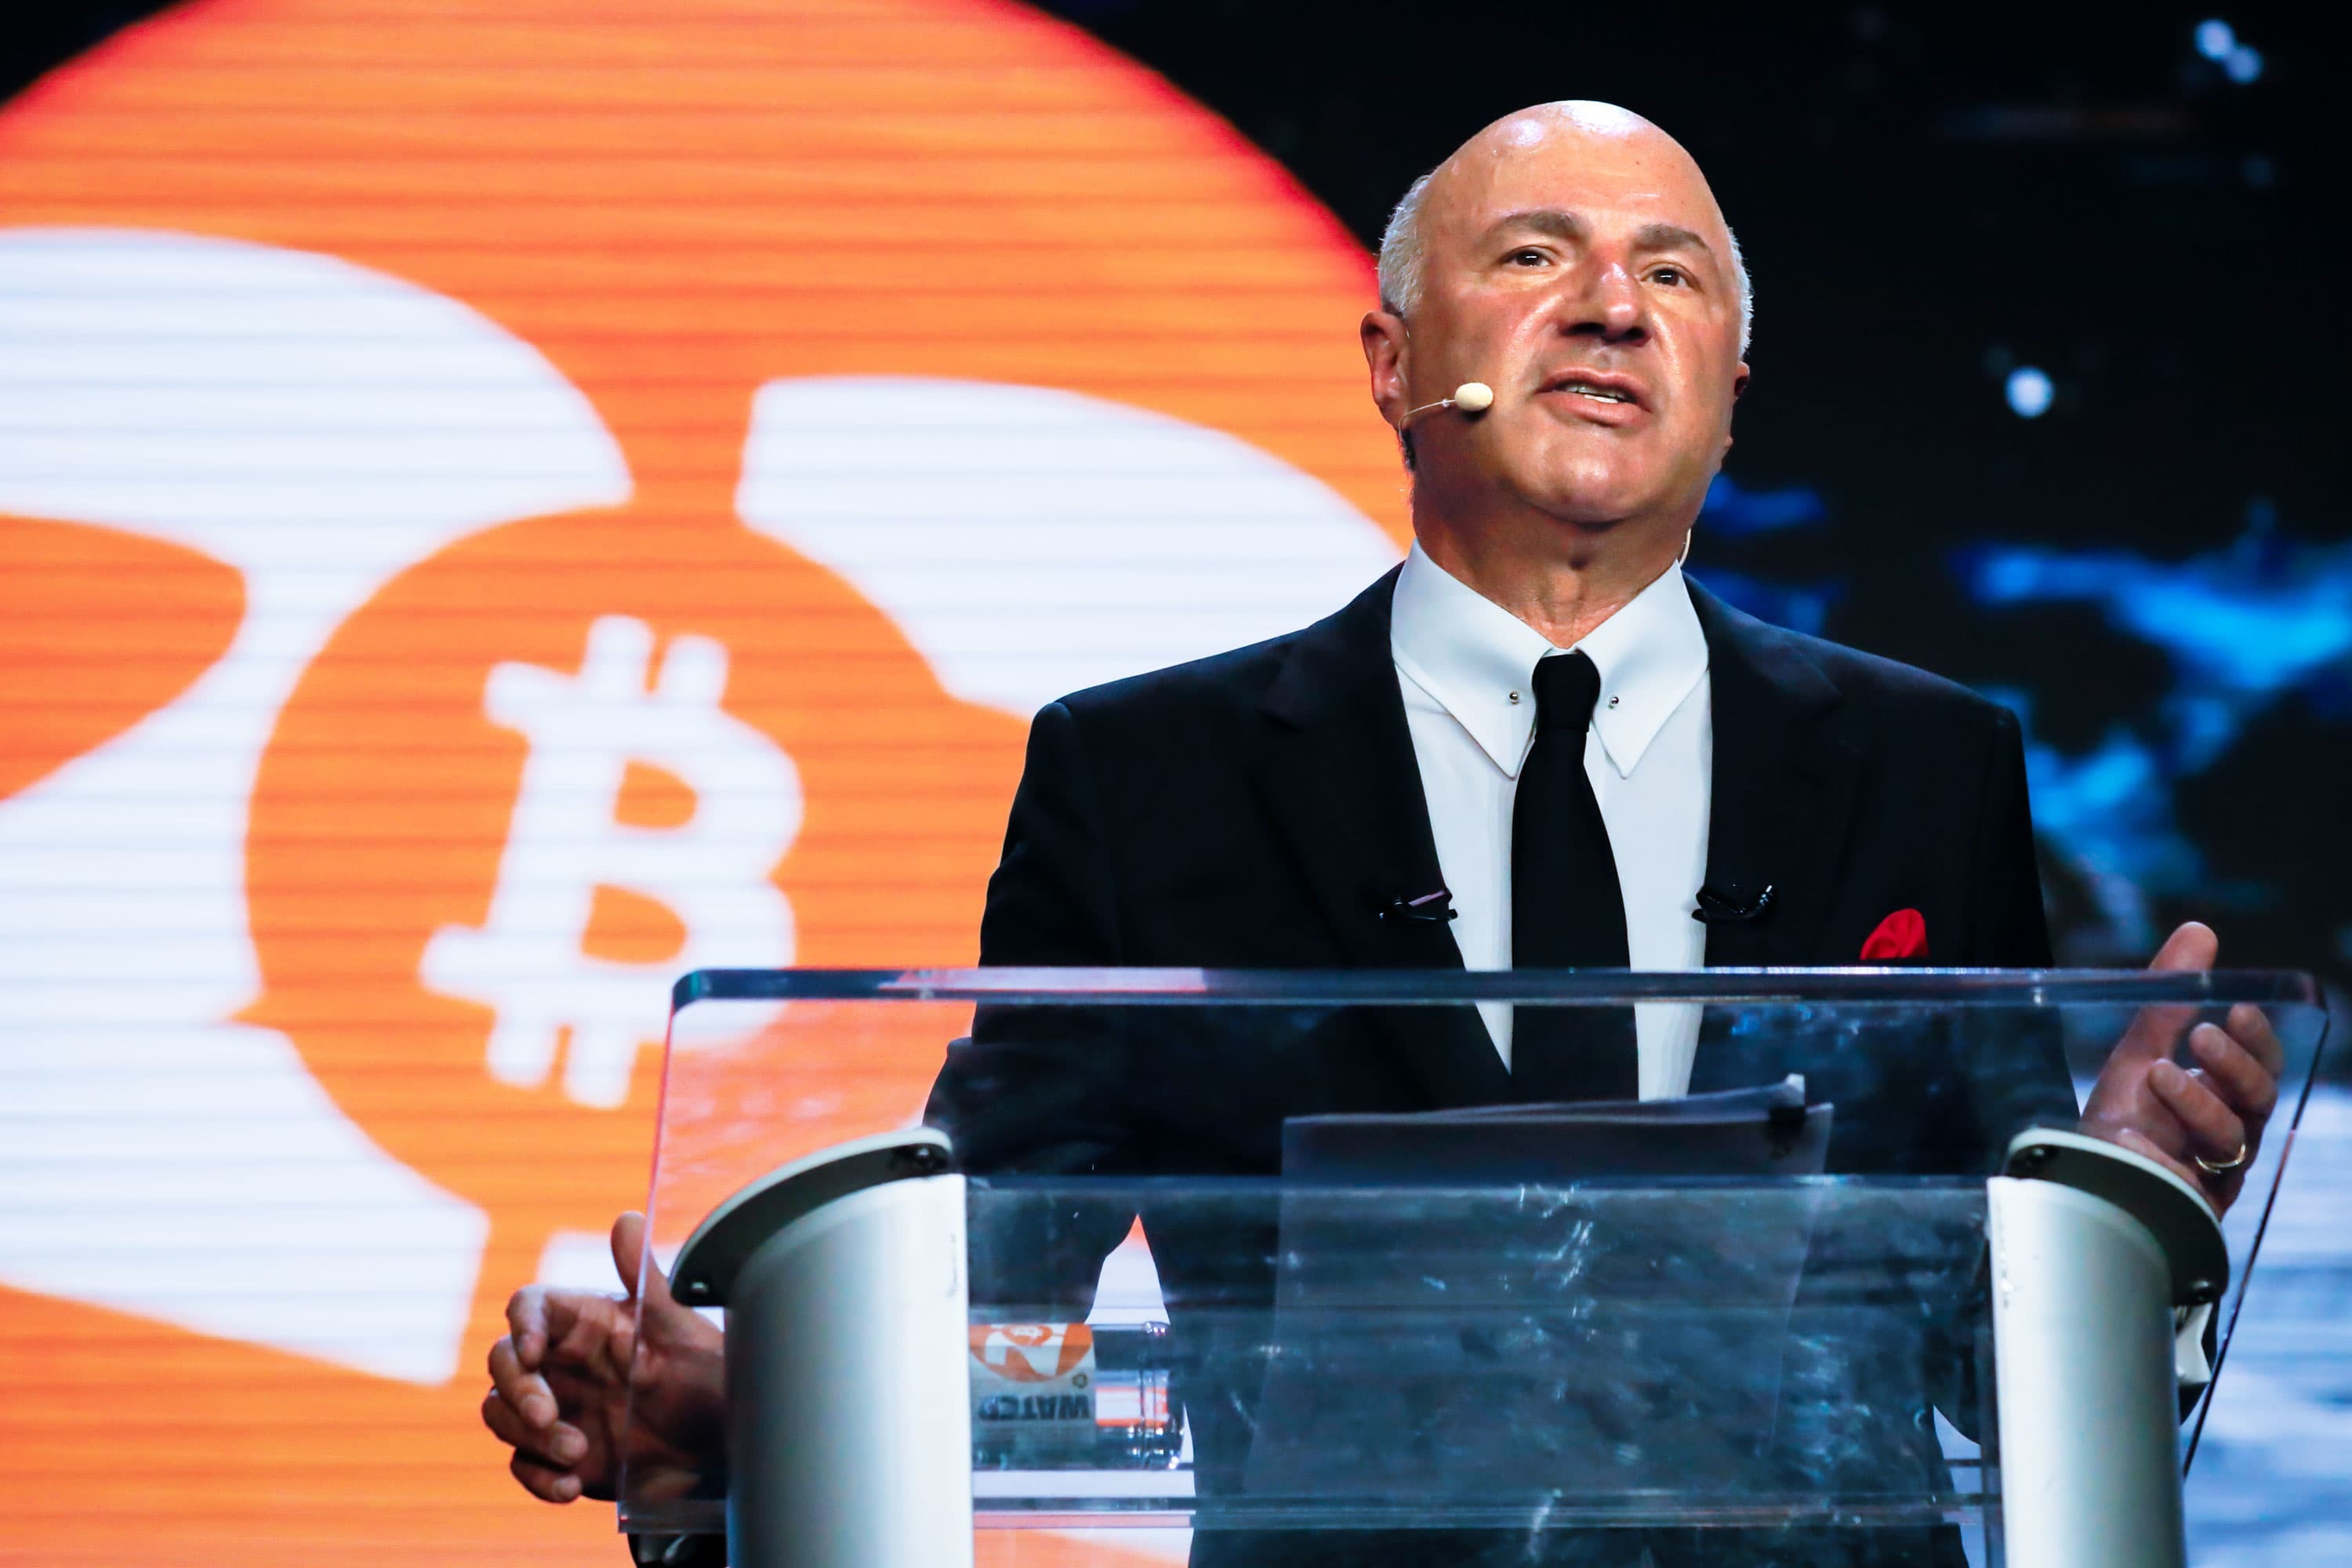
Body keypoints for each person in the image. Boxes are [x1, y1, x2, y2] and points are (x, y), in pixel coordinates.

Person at [482, 103, 2285, 1559]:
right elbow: (1014, 1294)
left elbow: (1967, 1360)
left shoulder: (1927, 765)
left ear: (1733, 389)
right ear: (1393, 360)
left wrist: (2116, 1206)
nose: (1613, 306)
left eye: (1673, 273)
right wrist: (761, 1388)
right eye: (1536, 256)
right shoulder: (1149, 778)